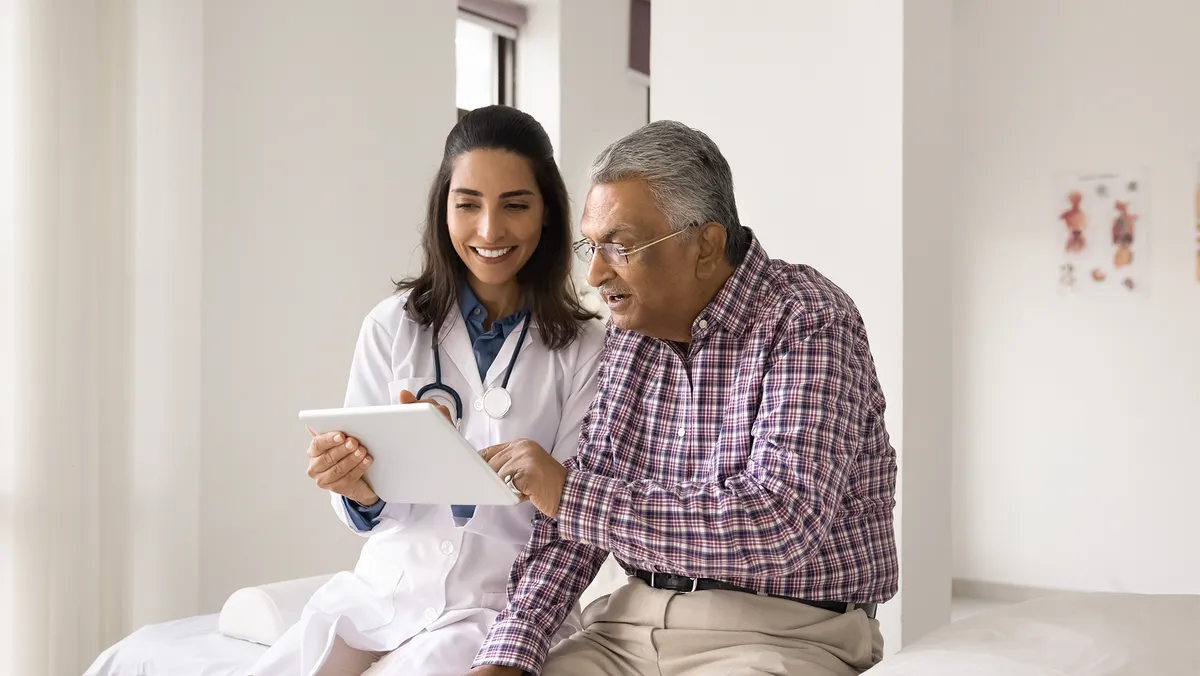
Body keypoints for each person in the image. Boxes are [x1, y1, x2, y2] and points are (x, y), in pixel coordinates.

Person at [467, 121, 899, 676]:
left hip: (782, 632)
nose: (597, 274)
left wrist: (572, 496)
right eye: (591, 248)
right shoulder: (630, 335)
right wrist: (508, 655)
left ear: (705, 244)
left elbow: (783, 525)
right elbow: (573, 529)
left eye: (620, 247)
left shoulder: (809, 319)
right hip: (630, 624)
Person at [250, 105, 605, 676]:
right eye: (468, 205)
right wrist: (355, 487)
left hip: (501, 607)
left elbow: (571, 516)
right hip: (383, 592)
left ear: (548, 215)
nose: (490, 231)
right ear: (444, 210)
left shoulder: (586, 349)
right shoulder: (393, 327)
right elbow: (367, 504)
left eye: (515, 205)